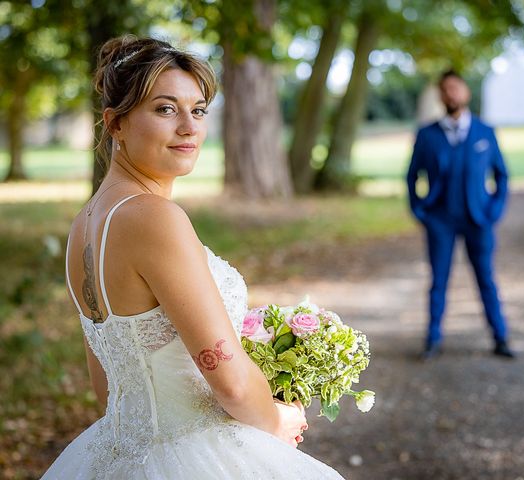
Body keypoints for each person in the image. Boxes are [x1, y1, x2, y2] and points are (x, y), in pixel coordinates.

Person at [42, 36, 343, 479]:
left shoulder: (84, 225)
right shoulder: (155, 217)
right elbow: (231, 381)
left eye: (198, 110)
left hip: (119, 449)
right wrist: (276, 420)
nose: (189, 126)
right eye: (165, 109)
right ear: (115, 124)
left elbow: (107, 386)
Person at [407, 70, 515, 360]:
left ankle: (500, 337)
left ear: (466, 92)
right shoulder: (427, 134)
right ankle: (432, 339)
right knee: (438, 281)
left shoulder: (484, 131)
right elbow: (411, 177)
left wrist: (494, 210)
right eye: (445, 90)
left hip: (478, 220)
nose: (451, 94)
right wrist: (420, 211)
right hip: (439, 220)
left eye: (455, 88)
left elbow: (502, 176)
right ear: (441, 96)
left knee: (486, 279)